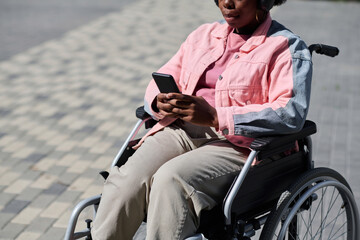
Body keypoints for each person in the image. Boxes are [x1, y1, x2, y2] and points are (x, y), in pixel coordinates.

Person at [91, 0, 312, 239]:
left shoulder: (286, 47)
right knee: (128, 181)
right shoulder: (204, 35)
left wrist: (217, 116)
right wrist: (158, 100)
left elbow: (290, 113)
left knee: (171, 180)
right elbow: (164, 76)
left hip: (239, 144)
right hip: (183, 129)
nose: (228, 2)